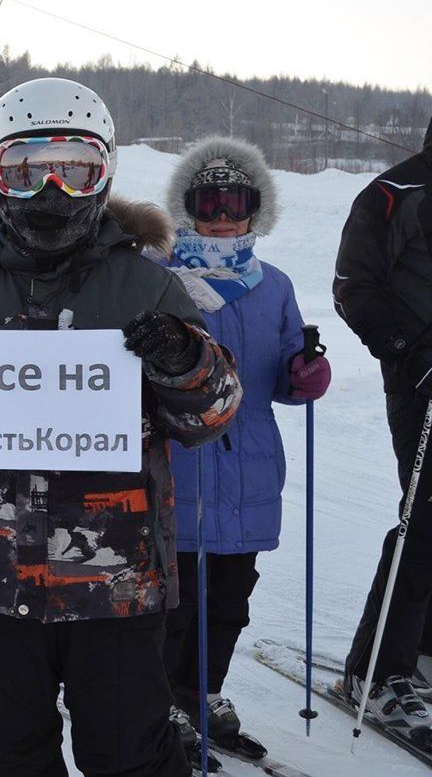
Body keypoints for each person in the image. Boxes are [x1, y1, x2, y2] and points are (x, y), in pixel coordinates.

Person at [0, 78, 243, 777]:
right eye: (26, 170)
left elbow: (213, 414)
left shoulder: (146, 285)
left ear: (104, 173)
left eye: (75, 170)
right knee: (5, 746)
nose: (52, 192)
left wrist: (183, 359)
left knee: (127, 751)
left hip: (115, 580)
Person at [156, 136, 330, 754]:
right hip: (177, 464)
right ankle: (166, 703)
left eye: (237, 202)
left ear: (257, 211)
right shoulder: (158, 276)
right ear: (188, 208)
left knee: (230, 599)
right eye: (210, 203)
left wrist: (303, 373)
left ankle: (204, 692)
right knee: (175, 602)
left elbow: (285, 373)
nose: (224, 216)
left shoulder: (273, 285)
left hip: (251, 467)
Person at [334, 114, 432, 746]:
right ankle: (377, 670)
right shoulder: (395, 193)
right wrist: (412, 350)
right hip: (423, 379)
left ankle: (420, 655)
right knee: (425, 518)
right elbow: (352, 287)